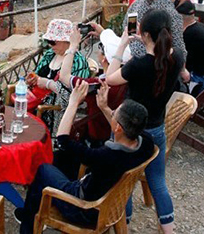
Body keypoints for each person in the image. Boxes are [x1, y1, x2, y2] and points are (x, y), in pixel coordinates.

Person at [14, 87, 154, 234]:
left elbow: (62, 140)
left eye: (113, 113)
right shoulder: (146, 143)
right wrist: (104, 107)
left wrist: (73, 103)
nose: (111, 113)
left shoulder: (105, 157)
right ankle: (32, 213)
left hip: (83, 210)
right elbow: (122, 130)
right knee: (62, 160)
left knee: (43, 170)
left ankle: (27, 227)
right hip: (105, 201)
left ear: (118, 127)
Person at [106, 9, 186, 233]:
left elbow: (110, 79)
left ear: (145, 34)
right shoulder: (177, 58)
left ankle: (124, 224)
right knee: (158, 182)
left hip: (129, 130)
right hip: (157, 128)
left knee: (123, 180)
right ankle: (169, 230)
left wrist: (122, 45)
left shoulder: (138, 65)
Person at [26, 19, 90, 133]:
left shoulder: (78, 61)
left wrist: (48, 84)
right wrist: (33, 79)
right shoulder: (50, 54)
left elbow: (76, 95)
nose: (50, 45)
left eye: (53, 42)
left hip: (54, 112)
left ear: (67, 41)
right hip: (35, 102)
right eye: (48, 41)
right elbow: (38, 74)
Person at [175, 1, 204, 95]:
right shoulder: (200, 26)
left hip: (202, 80)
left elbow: (184, 61)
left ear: (179, 17)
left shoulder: (189, 34)